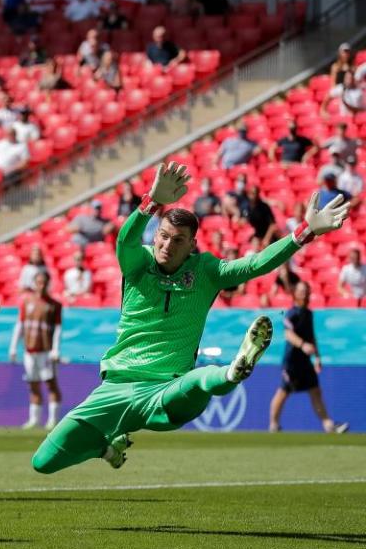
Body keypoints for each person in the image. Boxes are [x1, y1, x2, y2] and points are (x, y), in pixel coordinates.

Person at [30, 162, 351, 475]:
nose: (168, 244)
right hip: (116, 385)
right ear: (155, 236)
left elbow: (256, 265)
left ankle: (232, 372)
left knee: (200, 380)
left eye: (178, 240)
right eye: (163, 236)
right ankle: (107, 449)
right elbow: (125, 240)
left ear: (192, 245)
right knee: (43, 461)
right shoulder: (138, 263)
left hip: (169, 388)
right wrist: (151, 202)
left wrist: (305, 231)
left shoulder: (206, 272)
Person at [268, 282, 349, 433]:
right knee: (284, 392)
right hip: (292, 361)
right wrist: (303, 345)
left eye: (306, 291)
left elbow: (312, 337)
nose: (304, 294)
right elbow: (288, 334)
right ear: (295, 294)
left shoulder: (309, 314)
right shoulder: (292, 313)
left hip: (306, 362)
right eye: (301, 291)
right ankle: (274, 424)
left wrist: (317, 357)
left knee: (315, 391)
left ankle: (328, 424)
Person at [9, 271, 63, 430]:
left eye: (44, 282)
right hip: (29, 350)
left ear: (48, 284)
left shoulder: (54, 305)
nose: (41, 285)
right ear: (34, 283)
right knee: (33, 384)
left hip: (46, 351)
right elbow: (20, 325)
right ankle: (34, 420)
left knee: (50, 383)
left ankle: (53, 420)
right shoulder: (26, 302)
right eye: (39, 282)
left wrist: (55, 349)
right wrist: (13, 347)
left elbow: (58, 329)